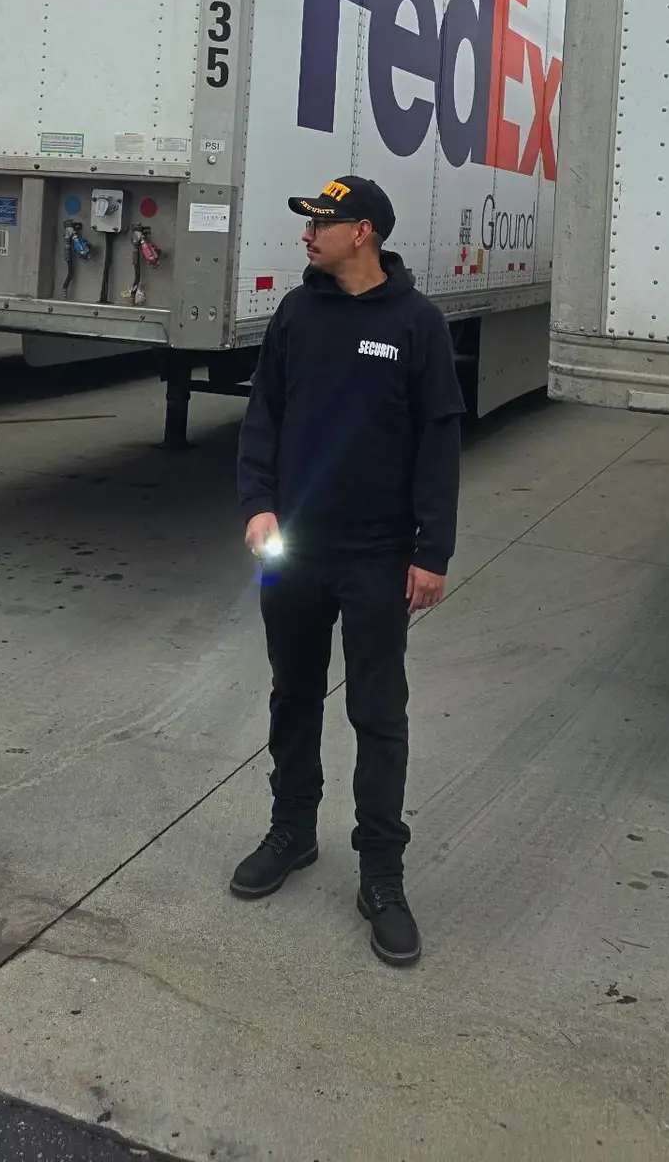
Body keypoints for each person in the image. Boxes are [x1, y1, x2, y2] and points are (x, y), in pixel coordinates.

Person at [232, 175, 464, 966]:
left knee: (377, 712)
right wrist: (258, 504)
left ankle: (381, 874)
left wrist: (431, 551)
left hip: (377, 557)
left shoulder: (418, 324)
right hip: (295, 550)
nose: (308, 233)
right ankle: (292, 832)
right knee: (292, 694)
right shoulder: (298, 314)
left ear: (362, 232)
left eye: (321, 222)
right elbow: (264, 412)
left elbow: (439, 442)